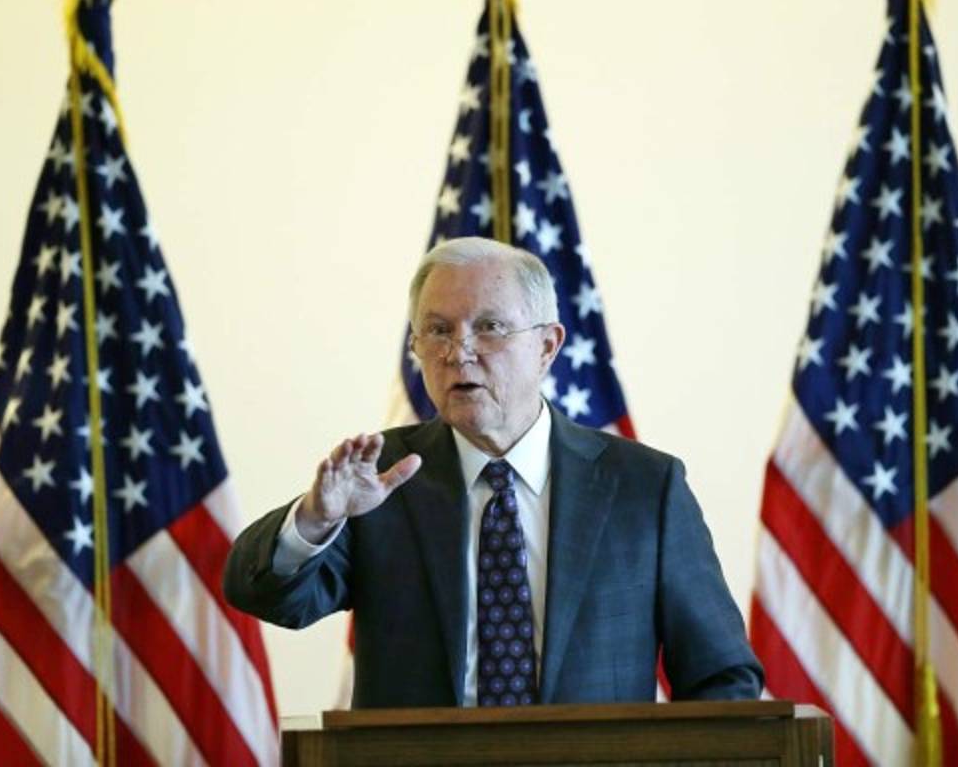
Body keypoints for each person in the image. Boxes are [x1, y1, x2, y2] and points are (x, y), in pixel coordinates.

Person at [223, 237, 762, 708]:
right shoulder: (381, 479)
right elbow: (269, 599)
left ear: (547, 346)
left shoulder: (644, 487)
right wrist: (316, 520)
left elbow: (722, 677)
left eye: (489, 328)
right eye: (437, 330)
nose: (458, 353)